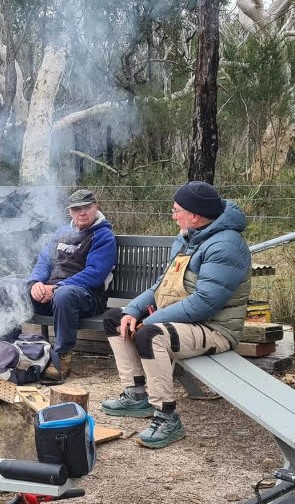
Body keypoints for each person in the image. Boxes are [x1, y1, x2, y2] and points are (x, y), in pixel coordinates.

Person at [101, 181, 251, 449]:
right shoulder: (187, 238)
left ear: (194, 215)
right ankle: (137, 395)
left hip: (214, 329)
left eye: (176, 210)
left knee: (149, 334)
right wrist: (134, 310)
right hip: (183, 323)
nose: (173, 216)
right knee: (116, 318)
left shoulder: (226, 246)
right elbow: (161, 284)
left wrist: (151, 319)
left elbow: (205, 303)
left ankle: (167, 417)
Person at [0, 189, 117, 381]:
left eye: (87, 207)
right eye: (76, 209)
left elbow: (95, 274)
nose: (81, 212)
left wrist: (57, 288)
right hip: (51, 295)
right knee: (5, 286)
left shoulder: (103, 236)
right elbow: (44, 261)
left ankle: (61, 358)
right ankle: (9, 350)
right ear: (69, 212)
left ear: (96, 207)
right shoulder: (62, 233)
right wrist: (35, 283)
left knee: (65, 294)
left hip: (86, 297)